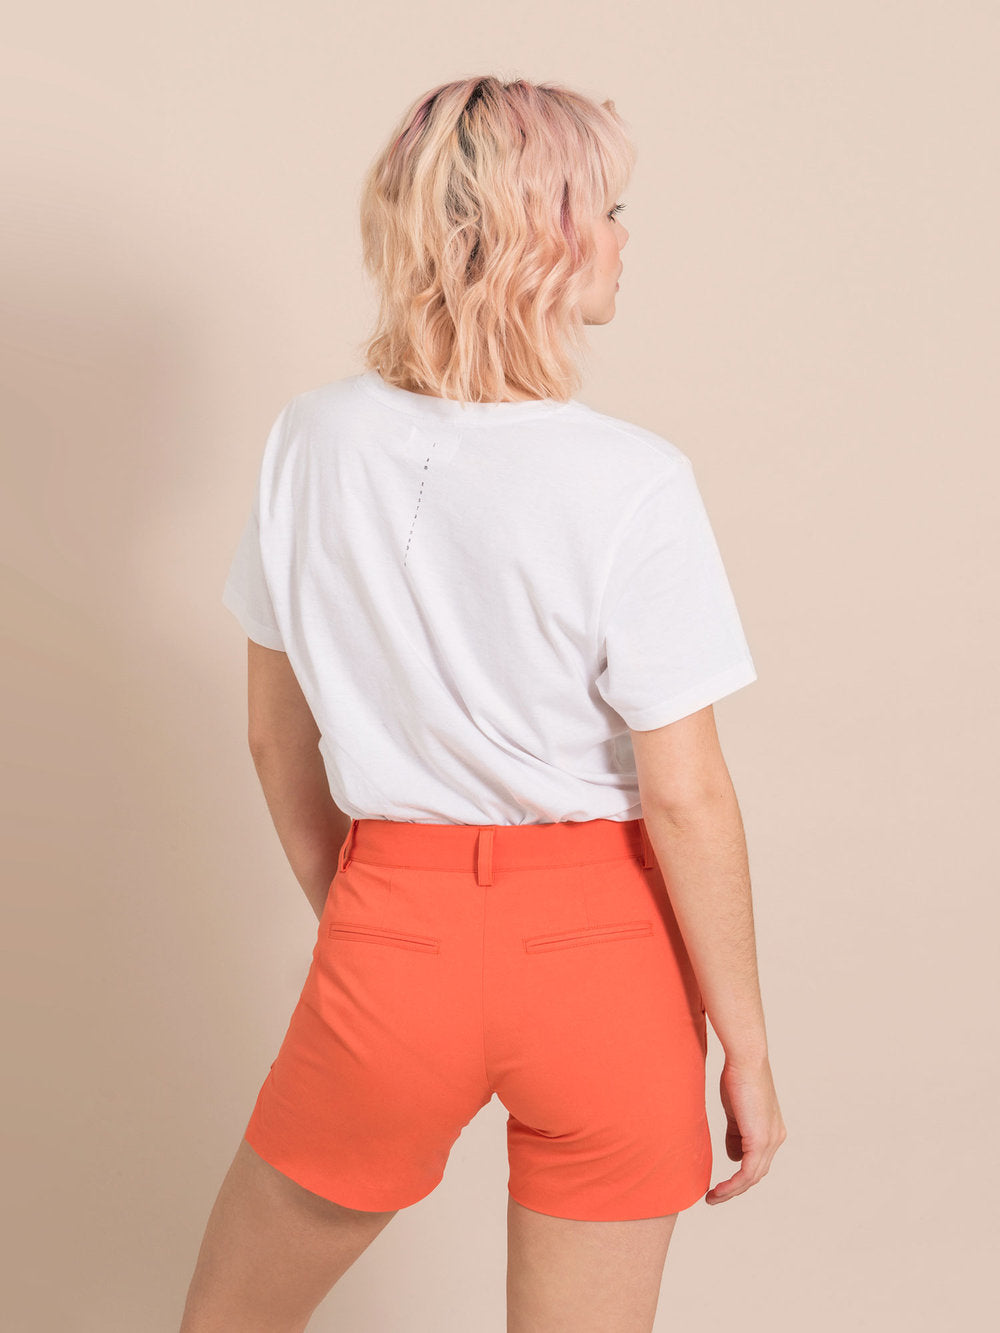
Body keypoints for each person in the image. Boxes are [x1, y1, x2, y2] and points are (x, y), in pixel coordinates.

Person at [180, 74, 786, 1333]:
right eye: (609, 209)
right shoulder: (632, 482)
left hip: (392, 924)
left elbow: (272, 732)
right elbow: (685, 791)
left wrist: (374, 919)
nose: (625, 236)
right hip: (609, 954)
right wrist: (747, 1045)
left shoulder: (311, 441)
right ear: (548, 239)